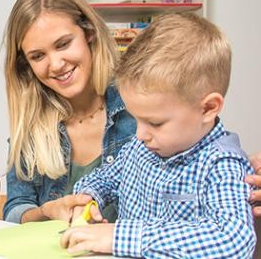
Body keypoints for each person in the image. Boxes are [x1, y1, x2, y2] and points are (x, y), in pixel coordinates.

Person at [61, 13, 255, 258]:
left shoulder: (222, 163)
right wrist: (88, 198)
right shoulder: (140, 149)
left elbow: (233, 240)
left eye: (155, 122)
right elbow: (105, 178)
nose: (140, 134)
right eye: (136, 119)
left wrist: (120, 236)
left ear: (208, 108)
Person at [2, 0, 136, 223]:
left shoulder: (140, 109)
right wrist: (45, 211)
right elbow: (15, 210)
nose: (55, 65)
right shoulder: (31, 128)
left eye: (63, 44)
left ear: (89, 33)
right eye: (38, 56)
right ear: (27, 66)